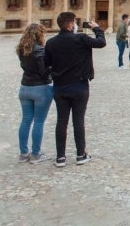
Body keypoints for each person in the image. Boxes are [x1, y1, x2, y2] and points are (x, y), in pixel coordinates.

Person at [44, 12, 106, 167]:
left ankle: (60, 157)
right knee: (78, 121)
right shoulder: (81, 39)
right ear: (71, 25)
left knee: (61, 121)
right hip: (79, 86)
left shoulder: (51, 43)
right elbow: (101, 42)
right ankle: (80, 154)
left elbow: (46, 64)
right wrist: (97, 28)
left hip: (60, 86)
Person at [16, 23, 54, 164]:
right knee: (39, 121)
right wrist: (52, 67)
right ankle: (36, 154)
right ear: (40, 35)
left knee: (26, 121)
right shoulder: (40, 51)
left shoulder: (22, 50)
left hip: (25, 87)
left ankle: (23, 153)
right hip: (41, 88)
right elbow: (43, 72)